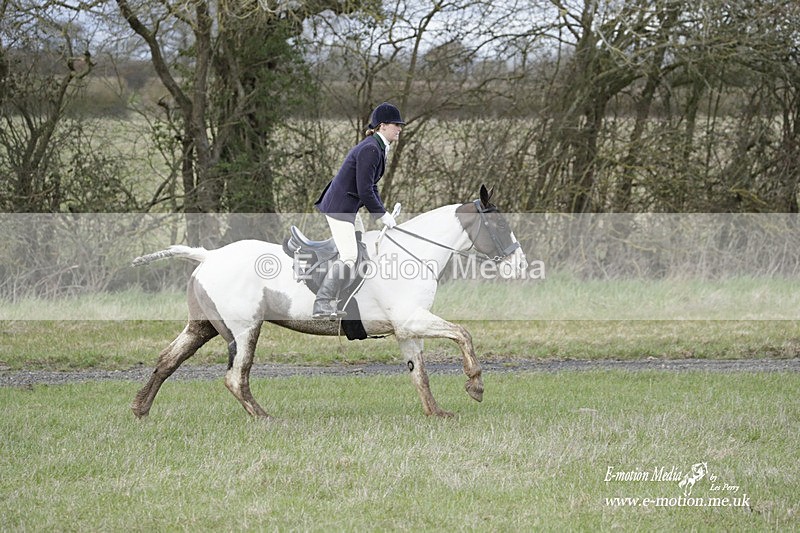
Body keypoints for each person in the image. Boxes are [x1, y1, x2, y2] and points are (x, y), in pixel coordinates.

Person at [311, 102, 405, 319]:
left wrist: (383, 211)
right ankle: (322, 303)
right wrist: (381, 215)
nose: (399, 128)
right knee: (350, 255)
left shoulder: (376, 147)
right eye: (396, 125)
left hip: (348, 208)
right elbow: (364, 188)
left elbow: (371, 185)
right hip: (339, 208)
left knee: (361, 248)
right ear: (382, 126)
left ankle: (346, 295)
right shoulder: (371, 149)